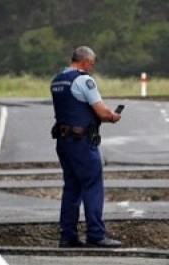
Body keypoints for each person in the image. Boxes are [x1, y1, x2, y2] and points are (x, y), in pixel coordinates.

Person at [50, 46, 122, 248]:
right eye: (92, 63)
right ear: (85, 61)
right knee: (92, 186)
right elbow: (102, 112)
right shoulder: (84, 80)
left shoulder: (57, 80)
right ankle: (96, 234)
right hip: (81, 141)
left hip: (63, 141)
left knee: (71, 187)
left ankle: (68, 235)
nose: (92, 66)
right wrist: (113, 116)